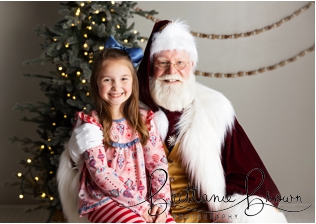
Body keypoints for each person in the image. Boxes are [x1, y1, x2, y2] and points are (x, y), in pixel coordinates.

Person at [84, 20, 284, 223]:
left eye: (180, 63)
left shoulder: (215, 109)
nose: (172, 71)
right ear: (151, 68)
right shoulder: (128, 111)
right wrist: (76, 153)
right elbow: (97, 169)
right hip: (145, 214)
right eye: (163, 63)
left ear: (192, 66)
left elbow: (246, 169)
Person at [71, 45, 174, 223]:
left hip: (143, 199)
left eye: (124, 79)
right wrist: (141, 207)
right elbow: (101, 174)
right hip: (104, 201)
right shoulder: (92, 125)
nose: (116, 87)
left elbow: (158, 164)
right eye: (107, 80)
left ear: (133, 82)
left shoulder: (144, 120)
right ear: (96, 82)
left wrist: (161, 202)